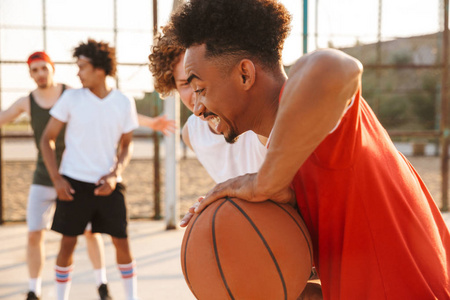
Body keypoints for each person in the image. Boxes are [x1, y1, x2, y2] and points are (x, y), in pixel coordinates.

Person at [169, 0, 450, 299]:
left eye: (200, 89)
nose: (196, 108)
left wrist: (263, 182)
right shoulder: (287, 157)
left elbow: (337, 66)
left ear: (245, 75)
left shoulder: (319, 122)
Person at [0, 51, 112, 300]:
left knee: (90, 232)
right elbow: (2, 118)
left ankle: (102, 284)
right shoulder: (26, 101)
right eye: (34, 70)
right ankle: (33, 289)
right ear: (30, 74)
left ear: (52, 69)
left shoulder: (73, 94)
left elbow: (111, 109)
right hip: (44, 176)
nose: (40, 74)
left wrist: (153, 123)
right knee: (34, 233)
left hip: (75, 174)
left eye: (43, 68)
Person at [40, 39, 139, 300]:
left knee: (122, 242)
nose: (77, 72)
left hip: (108, 184)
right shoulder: (71, 98)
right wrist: (57, 179)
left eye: (82, 67)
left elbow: (127, 145)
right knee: (67, 244)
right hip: (73, 183)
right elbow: (47, 139)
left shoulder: (124, 102)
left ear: (100, 69)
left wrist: (116, 174)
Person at [148, 27, 267, 187]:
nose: (197, 93)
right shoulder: (192, 133)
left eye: (201, 79)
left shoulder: (263, 121)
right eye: (185, 84)